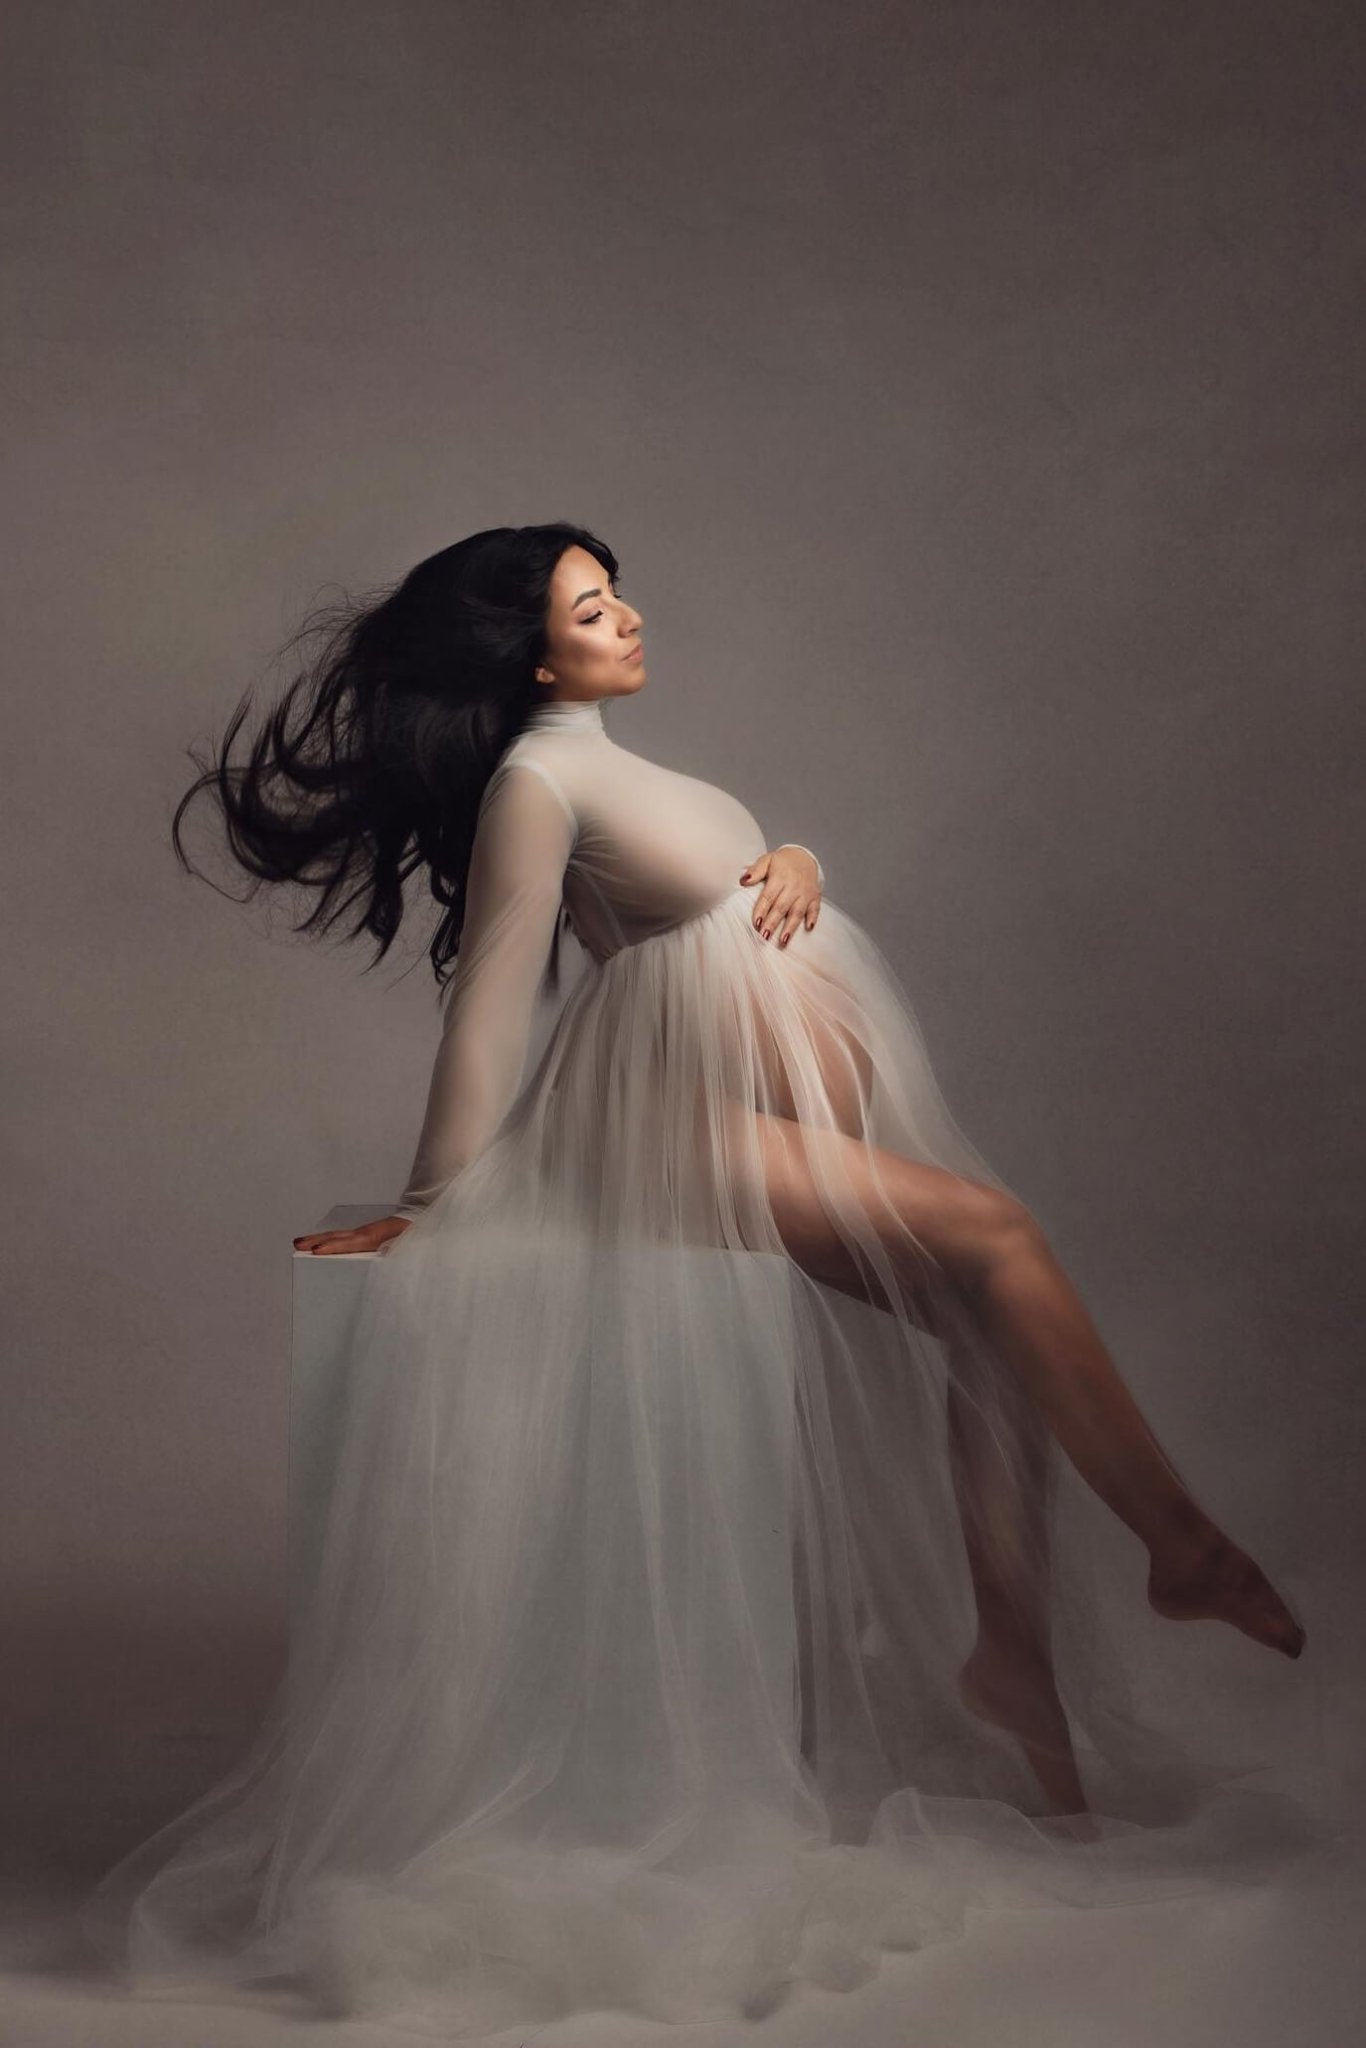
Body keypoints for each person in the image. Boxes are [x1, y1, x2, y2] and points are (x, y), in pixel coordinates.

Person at [80, 523, 1319, 2035]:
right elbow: (502, 984)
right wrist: (431, 1201)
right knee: (996, 1240)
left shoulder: (617, 766)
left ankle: (1007, 1656)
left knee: (977, 1319)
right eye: (593, 610)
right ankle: (1180, 1543)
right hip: (654, 1134)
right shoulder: (537, 783)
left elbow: (724, 881)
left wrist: (795, 858)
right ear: (535, 656)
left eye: (615, 595)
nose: (629, 619)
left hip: (737, 1110)